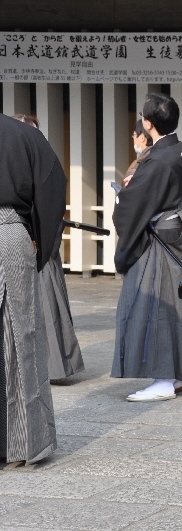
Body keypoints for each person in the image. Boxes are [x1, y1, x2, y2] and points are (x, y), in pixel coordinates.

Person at [111, 93, 182, 401]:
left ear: (148, 124)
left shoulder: (155, 161)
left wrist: (120, 197)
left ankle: (164, 377)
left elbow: (133, 204)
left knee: (157, 302)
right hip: (180, 229)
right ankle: (180, 369)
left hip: (160, 238)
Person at [1, 113, 67, 463]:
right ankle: (24, 443)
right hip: (10, 231)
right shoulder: (23, 134)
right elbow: (53, 183)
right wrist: (40, 239)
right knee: (21, 337)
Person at [12, 114, 84, 380]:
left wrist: (41, 238)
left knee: (49, 307)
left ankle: (55, 365)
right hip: (20, 237)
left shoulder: (44, 162)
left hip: (40, 239)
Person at [123, 119, 153, 187]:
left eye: (134, 135)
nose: (133, 138)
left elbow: (127, 186)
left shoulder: (142, 161)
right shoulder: (158, 154)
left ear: (142, 138)